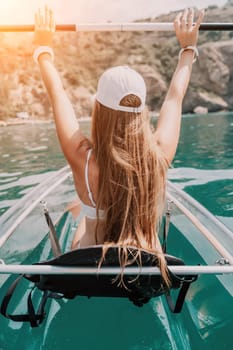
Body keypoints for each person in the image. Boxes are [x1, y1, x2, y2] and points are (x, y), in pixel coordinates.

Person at [33, 6, 204, 285]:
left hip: (90, 264)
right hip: (147, 268)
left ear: (98, 108)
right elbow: (175, 97)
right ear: (143, 111)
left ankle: (80, 208)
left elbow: (57, 94)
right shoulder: (159, 152)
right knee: (81, 206)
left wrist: (43, 47)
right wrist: (188, 49)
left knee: (77, 211)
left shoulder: (81, 156)